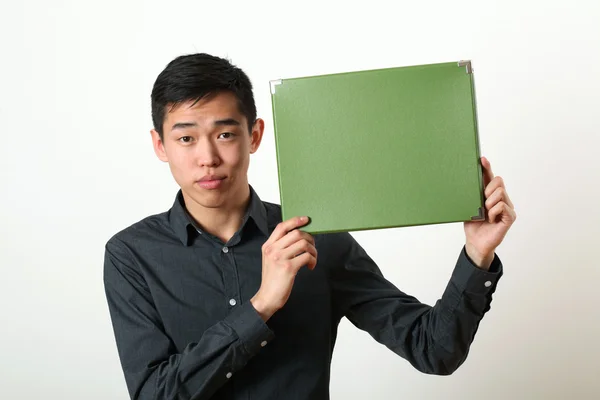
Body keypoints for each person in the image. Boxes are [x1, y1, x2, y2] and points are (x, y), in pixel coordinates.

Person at [103, 53, 516, 400]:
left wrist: (476, 256)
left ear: (255, 135)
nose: (208, 157)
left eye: (225, 133)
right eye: (186, 139)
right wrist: (261, 305)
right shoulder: (132, 255)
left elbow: (434, 351)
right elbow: (154, 394)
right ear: (160, 145)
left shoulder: (319, 236)